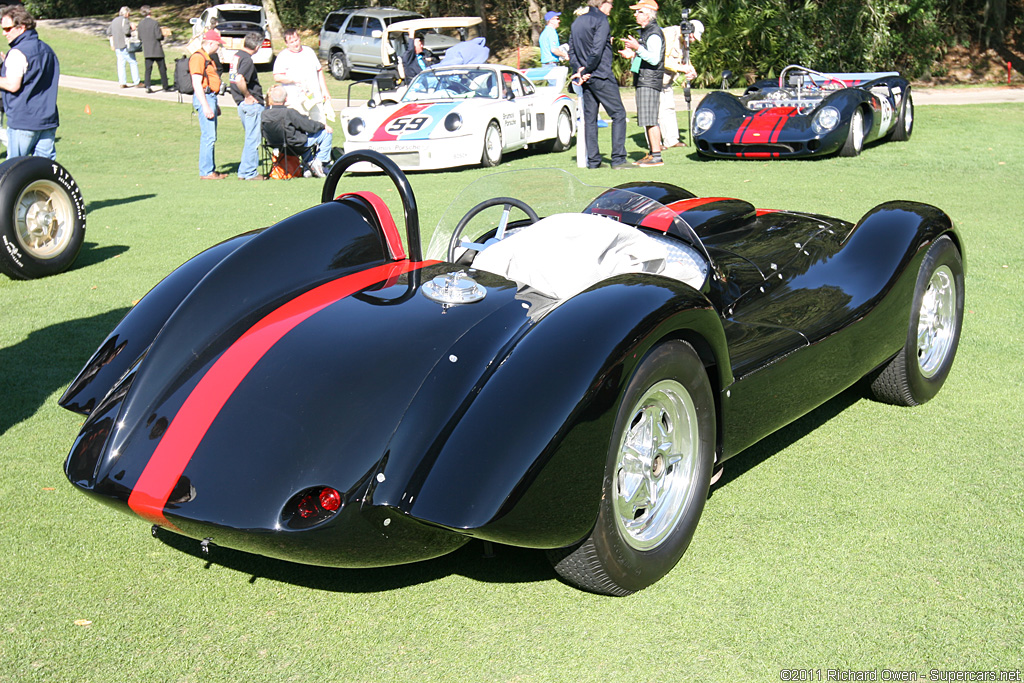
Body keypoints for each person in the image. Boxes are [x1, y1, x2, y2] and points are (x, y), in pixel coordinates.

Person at [568, 0, 628, 169]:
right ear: (602, 3)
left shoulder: (577, 21)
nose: (612, 7)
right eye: (610, 3)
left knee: (590, 119)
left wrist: (579, 69)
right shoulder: (601, 20)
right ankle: (618, 158)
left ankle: (594, 161)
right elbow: (597, 49)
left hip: (586, 77)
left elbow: (571, 50)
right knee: (618, 114)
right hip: (600, 74)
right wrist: (587, 69)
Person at [0, 5, 59, 159]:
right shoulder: (47, 49)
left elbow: (13, 85)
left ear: (21, 27)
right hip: (47, 120)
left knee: (14, 172)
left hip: (23, 121)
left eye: (7, 29)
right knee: (44, 172)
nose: (4, 33)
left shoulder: (17, 52)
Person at [620, 0, 665, 166]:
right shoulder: (647, 32)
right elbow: (647, 56)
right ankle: (653, 153)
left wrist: (637, 48)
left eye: (638, 11)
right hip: (645, 79)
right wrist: (632, 54)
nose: (635, 14)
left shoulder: (653, 33)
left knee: (650, 119)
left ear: (648, 14)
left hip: (649, 80)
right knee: (647, 118)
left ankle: (657, 156)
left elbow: (654, 59)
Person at [261, 85, 333, 178]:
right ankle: (319, 162)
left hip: (275, 145)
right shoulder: (289, 113)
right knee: (326, 133)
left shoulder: (264, 114)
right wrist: (323, 126)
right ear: (286, 99)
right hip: (295, 145)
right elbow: (308, 125)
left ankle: (308, 168)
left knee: (301, 136)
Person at [273, 28, 330, 124]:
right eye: (291, 42)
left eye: (296, 40)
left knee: (320, 124)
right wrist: (293, 80)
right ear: (286, 44)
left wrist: (325, 91)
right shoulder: (283, 56)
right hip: (295, 99)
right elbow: (277, 77)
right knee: (300, 128)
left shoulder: (309, 52)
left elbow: (319, 71)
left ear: (299, 38)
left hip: (314, 97)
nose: (295, 44)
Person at [190, 30, 226, 179]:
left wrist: (214, 104)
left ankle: (209, 169)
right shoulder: (198, 58)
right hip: (204, 96)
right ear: (210, 43)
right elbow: (197, 83)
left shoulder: (207, 57)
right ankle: (206, 172)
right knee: (209, 136)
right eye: (218, 44)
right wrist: (205, 105)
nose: (219, 47)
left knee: (210, 135)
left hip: (210, 97)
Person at [230, 32, 266, 180]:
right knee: (253, 139)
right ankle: (249, 172)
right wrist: (248, 95)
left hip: (241, 103)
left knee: (249, 137)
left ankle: (244, 171)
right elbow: (239, 78)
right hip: (251, 105)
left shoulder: (237, 56)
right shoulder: (247, 60)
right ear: (257, 47)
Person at [658, 21, 700, 148]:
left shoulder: (685, 41)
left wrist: (691, 71)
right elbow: (661, 60)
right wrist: (682, 69)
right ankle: (655, 143)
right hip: (653, 79)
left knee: (669, 108)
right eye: (693, 37)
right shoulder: (670, 34)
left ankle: (671, 141)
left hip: (666, 82)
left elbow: (685, 60)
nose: (692, 40)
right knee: (653, 112)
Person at [137, 6, 168, 93]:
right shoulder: (154, 23)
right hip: (156, 49)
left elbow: (139, 37)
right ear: (150, 12)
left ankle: (147, 86)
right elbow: (158, 36)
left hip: (147, 49)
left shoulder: (140, 24)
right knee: (162, 69)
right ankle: (165, 86)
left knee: (148, 69)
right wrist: (163, 35)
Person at [107, 6, 140, 89]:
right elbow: (126, 32)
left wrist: (112, 44)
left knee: (121, 64)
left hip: (117, 45)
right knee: (133, 62)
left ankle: (122, 82)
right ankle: (136, 81)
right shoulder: (125, 20)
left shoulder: (114, 20)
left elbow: (109, 32)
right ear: (127, 13)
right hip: (125, 45)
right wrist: (132, 29)